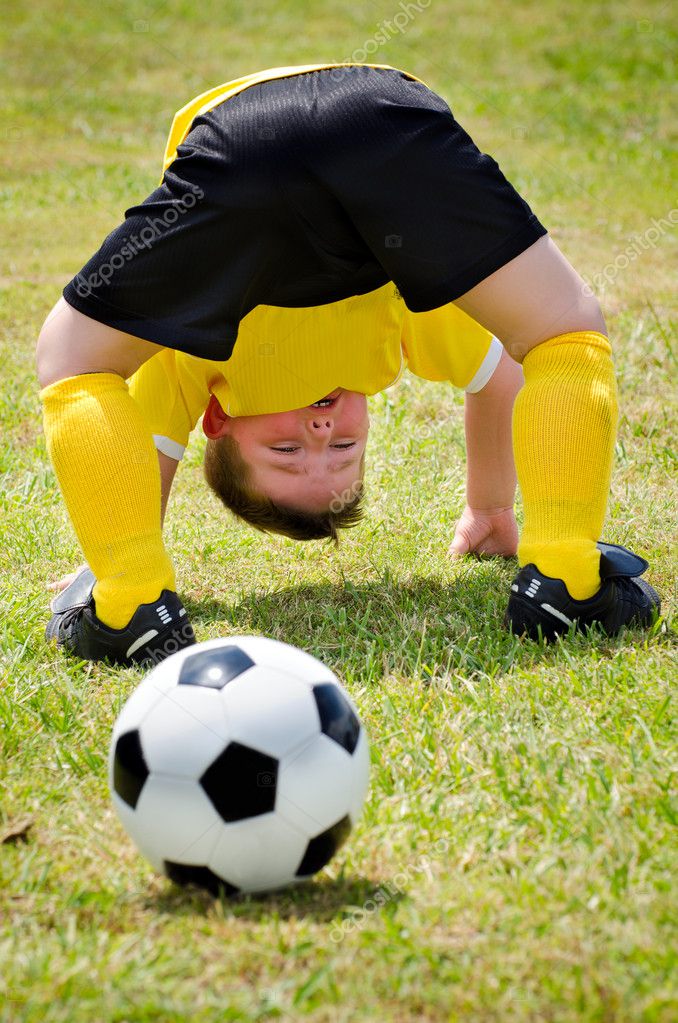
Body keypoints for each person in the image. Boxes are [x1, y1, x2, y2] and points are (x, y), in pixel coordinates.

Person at [37, 62, 659, 665]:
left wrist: (119, 562)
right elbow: (501, 379)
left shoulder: (191, 361)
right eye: (346, 449)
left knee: (72, 358)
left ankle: (127, 610)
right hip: (381, 113)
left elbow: (148, 457)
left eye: (286, 452)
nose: (321, 434)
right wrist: (491, 510)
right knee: (563, 331)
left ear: (218, 418)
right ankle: (565, 575)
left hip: (250, 139)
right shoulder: (397, 324)